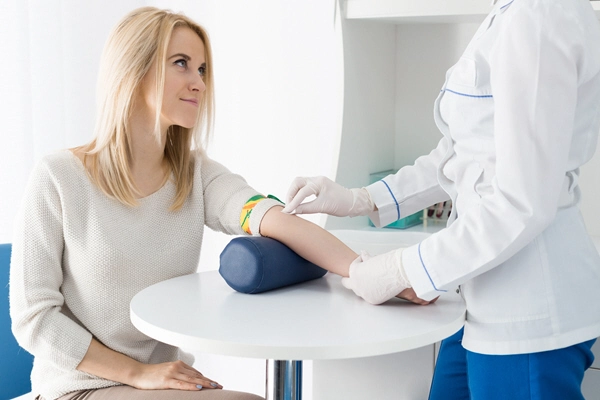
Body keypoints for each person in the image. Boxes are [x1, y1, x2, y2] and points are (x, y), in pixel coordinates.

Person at [9, 7, 358, 400]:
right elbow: (33, 318)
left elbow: (268, 217)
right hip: (80, 388)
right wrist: (137, 373)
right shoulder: (58, 177)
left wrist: (369, 272)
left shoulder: (195, 175)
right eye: (182, 64)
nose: (199, 83)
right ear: (134, 68)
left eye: (203, 70)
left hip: (159, 383)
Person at [282, 0, 600, 398]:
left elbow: (522, 201)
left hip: (526, 314)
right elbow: (460, 157)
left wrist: (403, 270)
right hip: (479, 299)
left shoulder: (537, 16)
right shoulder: (509, 14)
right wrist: (358, 199)